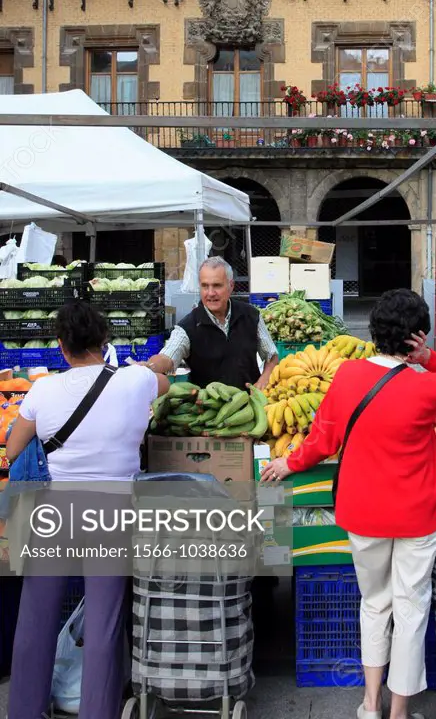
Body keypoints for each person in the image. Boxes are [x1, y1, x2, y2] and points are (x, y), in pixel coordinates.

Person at [261, 289, 436, 719]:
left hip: (364, 510)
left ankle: (371, 704)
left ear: (373, 332)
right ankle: (400, 712)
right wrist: (426, 355)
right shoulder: (428, 385)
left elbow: (322, 441)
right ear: (417, 335)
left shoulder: (349, 376)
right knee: (411, 606)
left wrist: (288, 462)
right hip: (420, 510)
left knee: (374, 603)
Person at [6, 299, 169, 719]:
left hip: (55, 510)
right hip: (110, 512)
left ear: (61, 346)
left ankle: (24, 709)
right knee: (103, 621)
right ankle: (97, 711)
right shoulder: (134, 380)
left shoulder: (42, 390)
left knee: (36, 615)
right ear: (104, 339)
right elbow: (165, 382)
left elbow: (13, 447)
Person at [147, 256, 278, 390]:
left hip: (249, 402)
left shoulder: (251, 315)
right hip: (208, 406)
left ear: (231, 286)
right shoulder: (188, 327)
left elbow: (271, 355)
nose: (210, 293)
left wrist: (265, 377)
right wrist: (149, 367)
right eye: (205, 286)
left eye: (217, 285)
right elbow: (168, 357)